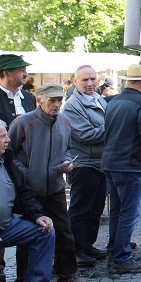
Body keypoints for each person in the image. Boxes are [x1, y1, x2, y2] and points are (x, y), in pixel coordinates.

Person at [8, 83, 85, 282]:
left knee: (64, 231)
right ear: (39, 100)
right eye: (52, 100)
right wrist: (25, 173)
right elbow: (9, 154)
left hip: (55, 186)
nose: (57, 104)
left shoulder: (64, 122)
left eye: (59, 100)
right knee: (28, 234)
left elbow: (67, 149)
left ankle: (67, 274)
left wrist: (68, 162)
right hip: (28, 190)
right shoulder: (23, 123)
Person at [0, 119, 67, 282]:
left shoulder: (7, 161)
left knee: (43, 232)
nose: (9, 140)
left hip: (6, 226)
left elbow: (24, 192)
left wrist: (37, 215)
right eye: (3, 136)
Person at [100, 64, 141, 274]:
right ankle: (120, 257)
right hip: (130, 164)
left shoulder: (113, 101)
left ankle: (115, 248)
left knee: (118, 209)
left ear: (127, 81)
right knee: (130, 211)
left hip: (111, 162)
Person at [60, 65, 109, 267]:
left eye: (92, 79)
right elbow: (85, 134)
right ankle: (77, 250)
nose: (89, 84)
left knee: (95, 209)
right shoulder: (72, 105)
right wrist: (112, 128)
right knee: (80, 210)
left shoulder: (100, 100)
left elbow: (97, 130)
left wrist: (104, 129)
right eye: (84, 80)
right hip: (83, 164)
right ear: (75, 82)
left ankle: (88, 245)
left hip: (100, 162)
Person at [0, 53, 37, 282]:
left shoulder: (29, 98)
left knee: (28, 213)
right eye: (21, 69)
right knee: (1, 210)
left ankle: (25, 275)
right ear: (7, 73)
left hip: (29, 163)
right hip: (3, 162)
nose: (25, 73)